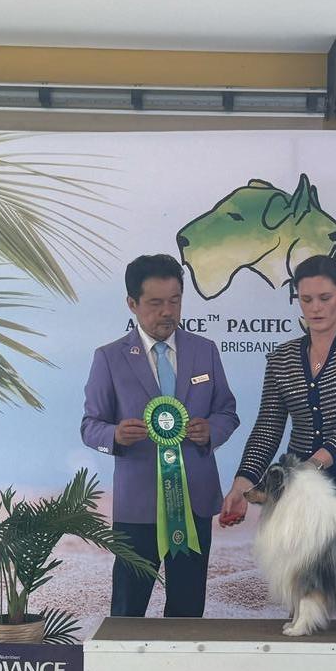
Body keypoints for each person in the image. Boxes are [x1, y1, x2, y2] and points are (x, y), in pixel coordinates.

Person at [83, 253, 239, 617]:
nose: (167, 312)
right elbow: (90, 425)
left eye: (175, 301)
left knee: (188, 610)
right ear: (132, 303)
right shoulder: (109, 357)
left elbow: (227, 412)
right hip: (137, 506)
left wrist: (210, 431)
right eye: (155, 303)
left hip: (195, 501)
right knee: (128, 610)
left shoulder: (205, 350)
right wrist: (116, 435)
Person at [221, 255, 336, 523]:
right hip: (301, 483)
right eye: (306, 299)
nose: (316, 308)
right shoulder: (281, 357)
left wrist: (310, 468)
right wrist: (242, 484)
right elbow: (268, 426)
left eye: (325, 298)